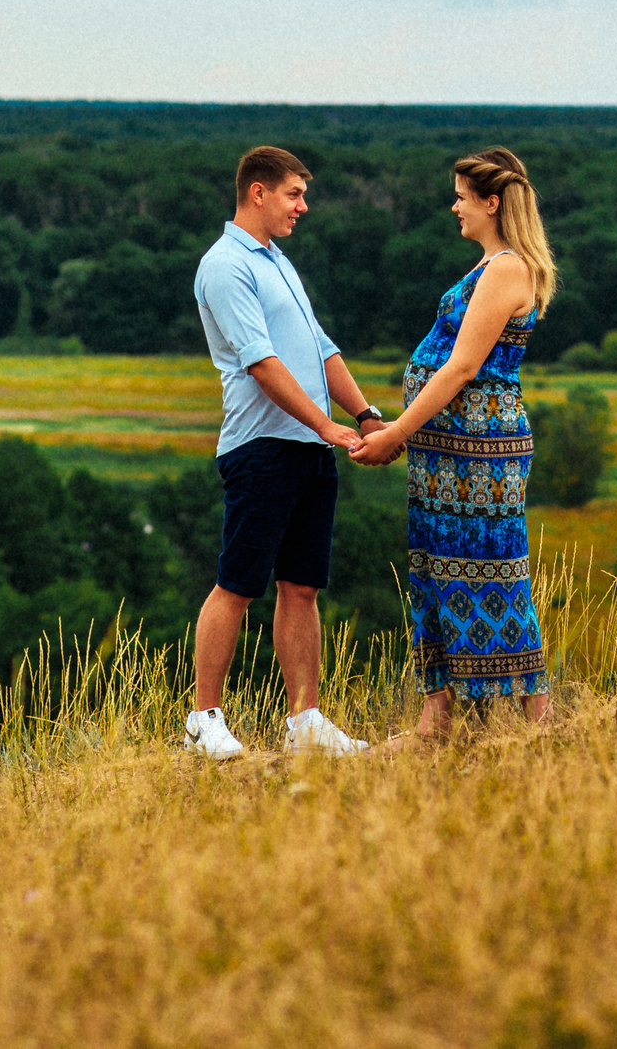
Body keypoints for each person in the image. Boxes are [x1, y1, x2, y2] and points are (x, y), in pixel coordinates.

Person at [183, 145, 380, 760]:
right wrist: (329, 427)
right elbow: (263, 365)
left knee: (301, 587)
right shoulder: (224, 265)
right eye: (295, 194)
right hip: (261, 447)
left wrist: (364, 416)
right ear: (258, 192)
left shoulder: (279, 263)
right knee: (238, 583)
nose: (304, 205)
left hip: (310, 448)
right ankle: (203, 721)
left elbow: (320, 349)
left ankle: (306, 723)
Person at [355, 147, 557, 736]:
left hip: (479, 454)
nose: (454, 207)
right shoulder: (488, 265)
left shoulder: (507, 269)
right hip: (447, 454)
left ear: (492, 203)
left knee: (492, 572)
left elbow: (462, 368)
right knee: (437, 570)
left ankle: (538, 722)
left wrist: (396, 431)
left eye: (463, 198)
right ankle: (437, 716)